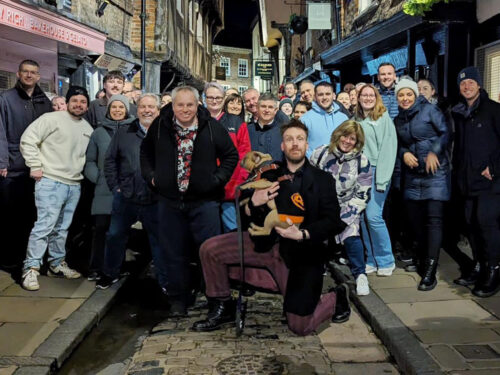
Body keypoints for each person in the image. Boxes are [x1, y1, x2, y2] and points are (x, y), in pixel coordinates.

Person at [192, 119, 350, 335]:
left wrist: (303, 233)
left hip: (299, 255)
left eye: (300, 139)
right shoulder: (268, 172)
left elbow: (333, 221)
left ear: (306, 145)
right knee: (210, 249)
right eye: (289, 139)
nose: (295, 144)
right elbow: (241, 209)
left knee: (300, 327)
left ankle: (336, 297)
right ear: (282, 145)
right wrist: (254, 204)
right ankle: (223, 304)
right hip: (264, 245)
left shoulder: (323, 179)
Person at [140, 86, 238, 316]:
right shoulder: (160, 126)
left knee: (209, 250)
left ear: (197, 105)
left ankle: (214, 297)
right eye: (180, 105)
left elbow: (231, 155)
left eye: (190, 104)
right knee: (173, 252)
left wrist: (216, 180)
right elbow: (145, 153)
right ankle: (178, 299)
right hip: (169, 201)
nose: (185, 109)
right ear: (173, 106)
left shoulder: (212, 127)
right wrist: (152, 178)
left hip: (204, 202)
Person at [19, 86, 93, 291]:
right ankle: (31, 268)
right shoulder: (51, 119)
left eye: (83, 101)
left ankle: (56, 264)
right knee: (44, 226)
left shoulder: (87, 128)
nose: (78, 104)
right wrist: (35, 165)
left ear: (87, 105)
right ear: (68, 102)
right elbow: (28, 139)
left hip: (73, 184)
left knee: (62, 228)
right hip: (50, 180)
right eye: (75, 100)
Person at [98, 93, 162, 289]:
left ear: (158, 110)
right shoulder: (124, 131)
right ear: (137, 109)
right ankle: (110, 273)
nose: (147, 110)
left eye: (151, 107)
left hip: (155, 198)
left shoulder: (166, 133)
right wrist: (115, 186)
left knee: (160, 240)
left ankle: (164, 279)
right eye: (143, 106)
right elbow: (110, 160)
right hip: (126, 195)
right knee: (115, 235)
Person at [394, 78, 450, 291]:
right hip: (413, 175)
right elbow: (397, 143)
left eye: (409, 94)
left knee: (433, 221)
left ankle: (430, 270)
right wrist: (404, 153)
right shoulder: (398, 119)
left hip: (434, 173)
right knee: (415, 221)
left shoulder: (430, 110)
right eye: (401, 95)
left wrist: (434, 151)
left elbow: (446, 132)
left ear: (415, 95)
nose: (405, 98)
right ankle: (422, 258)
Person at [451, 67, 500, 297]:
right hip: (466, 181)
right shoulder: (459, 112)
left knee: (486, 225)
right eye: (463, 83)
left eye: (471, 82)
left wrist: (495, 167)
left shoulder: (493, 110)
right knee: (470, 223)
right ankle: (479, 265)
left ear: (479, 85)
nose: (467, 86)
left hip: (490, 182)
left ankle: (494, 270)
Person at [0, 59, 52, 269]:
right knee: (11, 215)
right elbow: (0, 132)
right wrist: (2, 161)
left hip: (39, 167)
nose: (29, 75)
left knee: (34, 215)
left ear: (38, 76)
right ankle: (10, 258)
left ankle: (31, 258)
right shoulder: (5, 99)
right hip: (13, 166)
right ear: (19, 74)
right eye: (25, 72)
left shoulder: (44, 102)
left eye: (33, 72)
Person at [310, 120, 372, 295]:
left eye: (353, 139)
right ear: (338, 135)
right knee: (316, 234)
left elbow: (363, 193)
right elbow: (308, 180)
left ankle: (360, 275)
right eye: (345, 136)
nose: (347, 141)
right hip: (321, 206)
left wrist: (345, 217)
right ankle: (316, 269)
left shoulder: (362, 161)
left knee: (351, 235)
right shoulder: (320, 153)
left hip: (347, 207)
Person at [84, 95, 135, 282]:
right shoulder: (98, 132)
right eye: (114, 107)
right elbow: (89, 160)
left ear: (127, 109)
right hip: (104, 188)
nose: (117, 110)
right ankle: (96, 267)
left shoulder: (134, 130)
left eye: (121, 107)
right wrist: (97, 178)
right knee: (101, 229)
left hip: (126, 188)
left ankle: (116, 268)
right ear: (108, 110)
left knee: (119, 231)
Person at [354, 84, 397, 276]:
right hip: (359, 172)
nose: (368, 98)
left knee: (374, 216)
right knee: (363, 217)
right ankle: (371, 258)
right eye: (364, 95)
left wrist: (382, 180)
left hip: (378, 170)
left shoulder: (383, 118)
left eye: (372, 95)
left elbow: (389, 149)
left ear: (377, 97)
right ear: (359, 98)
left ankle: (386, 259)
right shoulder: (356, 119)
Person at [204, 82, 250, 233]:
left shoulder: (236, 122)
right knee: (208, 233)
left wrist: (240, 181)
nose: (214, 100)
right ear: (204, 98)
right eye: (210, 97)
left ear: (224, 99)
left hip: (230, 188)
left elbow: (245, 154)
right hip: (204, 190)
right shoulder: (196, 120)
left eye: (218, 97)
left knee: (232, 233)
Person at [300, 82, 349, 157]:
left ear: (333, 96)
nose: (324, 97)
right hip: (315, 166)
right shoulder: (305, 119)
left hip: (341, 166)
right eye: (320, 95)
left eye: (328, 94)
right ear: (315, 97)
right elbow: (300, 145)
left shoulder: (343, 118)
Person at [247, 93, 284, 162]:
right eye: (263, 106)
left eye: (270, 107)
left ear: (275, 110)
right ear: (257, 108)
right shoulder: (247, 130)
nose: (266, 110)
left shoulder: (283, 131)